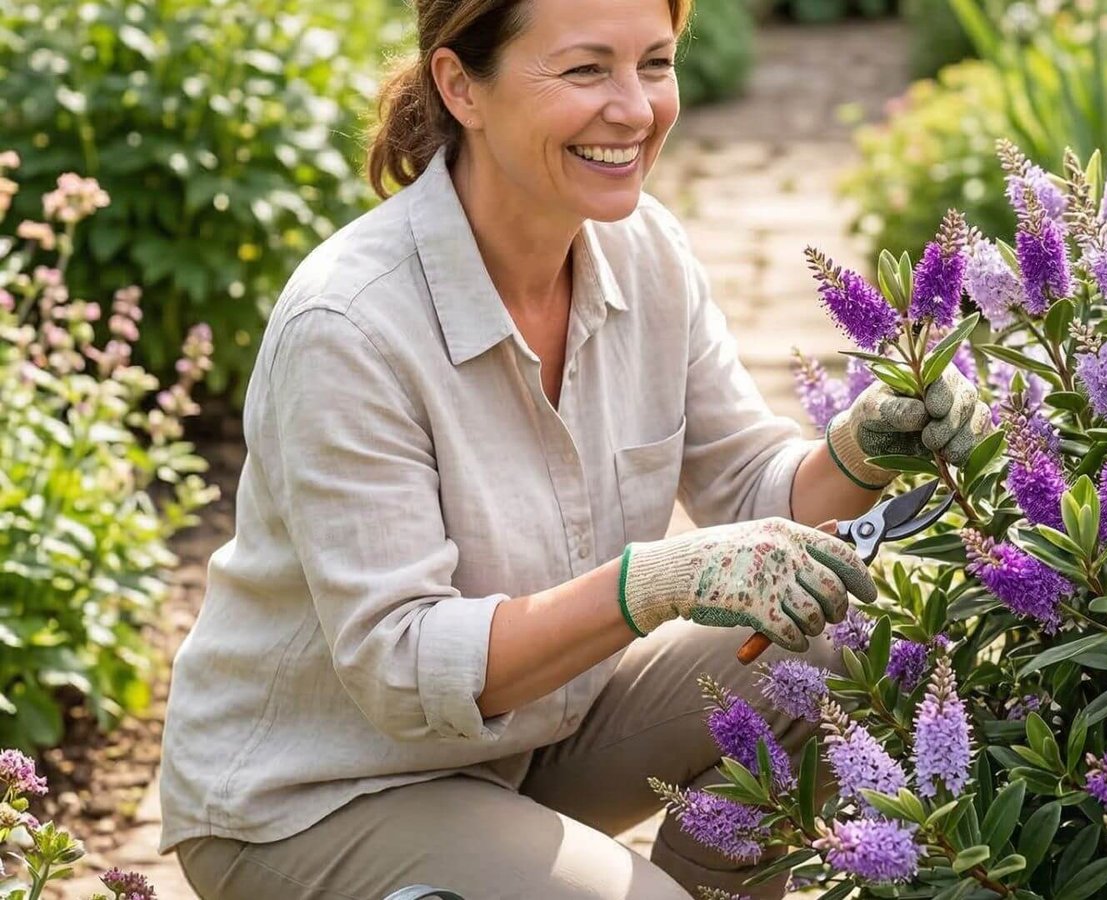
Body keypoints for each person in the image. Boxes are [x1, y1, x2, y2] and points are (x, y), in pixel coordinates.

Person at [157, 0, 989, 897]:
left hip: (531, 740)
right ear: (459, 85)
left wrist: (864, 446)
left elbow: (754, 489)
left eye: (656, 63)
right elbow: (401, 665)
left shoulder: (646, 253)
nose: (634, 108)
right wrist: (654, 582)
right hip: (323, 792)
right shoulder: (351, 325)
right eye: (587, 70)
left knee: (833, 660)